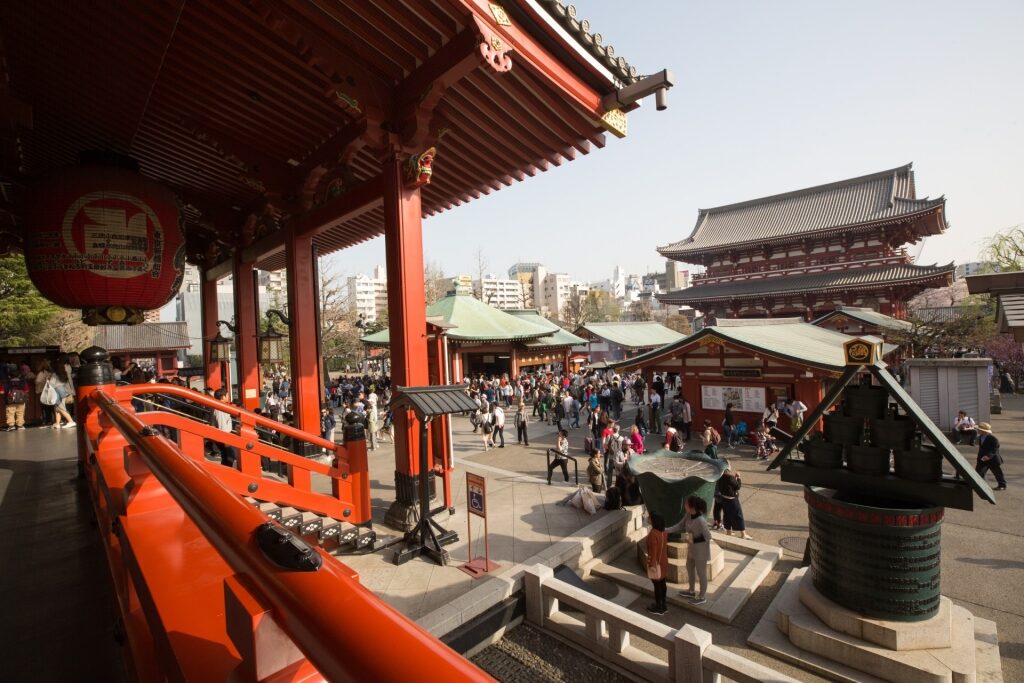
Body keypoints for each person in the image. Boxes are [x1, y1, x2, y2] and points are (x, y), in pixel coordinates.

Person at [667, 496, 711, 605]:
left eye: (686, 504)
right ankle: (691, 591)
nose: (684, 505)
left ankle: (702, 596)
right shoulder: (688, 515)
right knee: (690, 569)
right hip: (691, 549)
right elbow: (679, 526)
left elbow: (708, 536)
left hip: (701, 551)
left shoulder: (701, 521)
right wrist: (665, 530)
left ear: (692, 506)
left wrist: (690, 538)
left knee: (701, 574)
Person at [717, 461, 752, 538]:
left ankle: (728, 532)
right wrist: (738, 478)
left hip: (724, 499)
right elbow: (737, 486)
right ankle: (743, 534)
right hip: (732, 500)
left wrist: (734, 479)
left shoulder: (720, 476)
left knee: (727, 515)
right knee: (738, 515)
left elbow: (729, 486)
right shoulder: (730, 477)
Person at [645, 513, 669, 615]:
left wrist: (652, 565)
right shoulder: (664, 532)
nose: (647, 518)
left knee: (657, 585)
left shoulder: (653, 534)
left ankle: (659, 606)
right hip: (664, 561)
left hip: (656, 563)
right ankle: (663, 604)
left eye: (649, 518)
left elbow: (653, 551)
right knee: (663, 583)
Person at [975, 422, 1006, 490]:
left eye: (979, 430)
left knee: (997, 473)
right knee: (979, 472)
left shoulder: (993, 439)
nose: (978, 431)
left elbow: (994, 449)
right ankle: (981, 485)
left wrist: (988, 456)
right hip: (982, 459)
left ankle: (1002, 485)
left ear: (983, 431)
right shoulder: (980, 437)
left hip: (993, 459)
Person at [211, 388, 237, 467]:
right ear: (222, 397)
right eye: (227, 395)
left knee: (226, 457)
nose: (228, 397)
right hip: (224, 436)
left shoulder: (220, 406)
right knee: (230, 457)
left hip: (224, 436)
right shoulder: (220, 409)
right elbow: (222, 426)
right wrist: (226, 440)